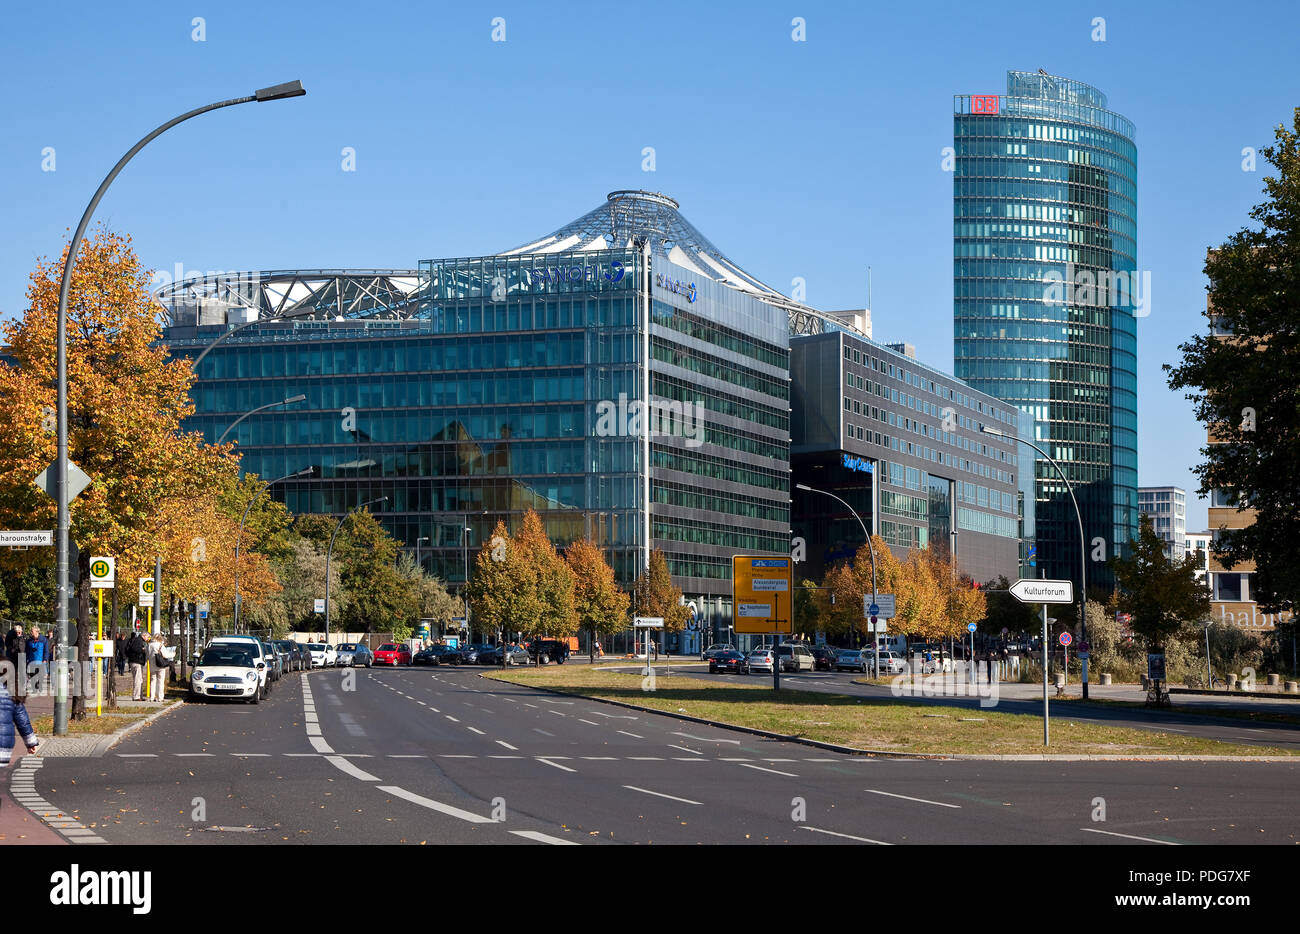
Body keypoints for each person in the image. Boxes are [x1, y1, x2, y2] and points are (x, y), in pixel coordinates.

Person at [148, 636, 174, 702]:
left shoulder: (149, 645)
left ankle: (152, 697)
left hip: (152, 665)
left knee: (153, 681)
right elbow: (165, 655)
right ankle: (160, 697)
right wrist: (173, 654)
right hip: (160, 666)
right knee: (160, 681)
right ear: (160, 639)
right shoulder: (160, 645)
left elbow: (147, 654)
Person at [125, 629, 148, 700]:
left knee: (139, 679)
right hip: (137, 661)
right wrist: (143, 650)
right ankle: (136, 696)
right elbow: (135, 649)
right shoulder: (138, 641)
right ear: (144, 635)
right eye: (148, 637)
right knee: (138, 679)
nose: (148, 639)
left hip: (135, 661)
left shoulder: (137, 640)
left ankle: (139, 696)